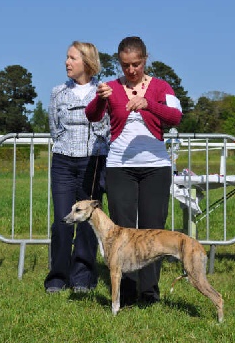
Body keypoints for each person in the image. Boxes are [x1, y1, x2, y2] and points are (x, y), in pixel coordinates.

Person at [85, 36, 182, 305]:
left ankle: (149, 291)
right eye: (125, 65)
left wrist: (150, 104)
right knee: (122, 233)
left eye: (136, 64)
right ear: (119, 62)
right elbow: (92, 115)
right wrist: (99, 98)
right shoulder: (111, 88)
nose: (131, 70)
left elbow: (176, 117)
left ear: (145, 59)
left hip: (156, 167)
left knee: (153, 232)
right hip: (120, 168)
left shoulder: (162, 87)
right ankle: (126, 292)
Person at [44, 41, 110, 293]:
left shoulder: (103, 92)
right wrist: (66, 147)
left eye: (72, 58)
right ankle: (57, 277)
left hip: (92, 162)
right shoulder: (58, 92)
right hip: (63, 161)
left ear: (87, 62)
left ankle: (83, 277)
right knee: (62, 220)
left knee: (86, 221)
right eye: (67, 57)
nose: (66, 62)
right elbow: (54, 127)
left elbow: (109, 128)